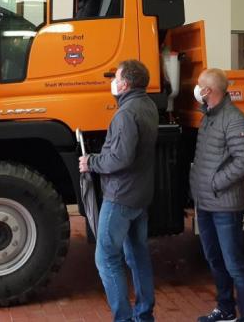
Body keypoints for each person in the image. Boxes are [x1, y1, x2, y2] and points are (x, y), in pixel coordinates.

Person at [78, 59, 158, 322]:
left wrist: (91, 162)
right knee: (137, 256)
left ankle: (123, 318)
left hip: (121, 197)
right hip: (139, 195)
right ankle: (144, 315)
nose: (112, 81)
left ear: (125, 83)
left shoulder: (125, 114)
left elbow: (121, 158)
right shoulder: (147, 105)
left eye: (116, 77)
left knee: (106, 259)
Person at [190, 68, 244, 322]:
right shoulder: (208, 117)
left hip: (225, 206)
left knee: (235, 266)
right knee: (215, 259)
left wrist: (215, 183)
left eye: (199, 86)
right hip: (206, 203)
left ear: (209, 91)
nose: (196, 90)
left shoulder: (234, 119)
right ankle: (226, 309)